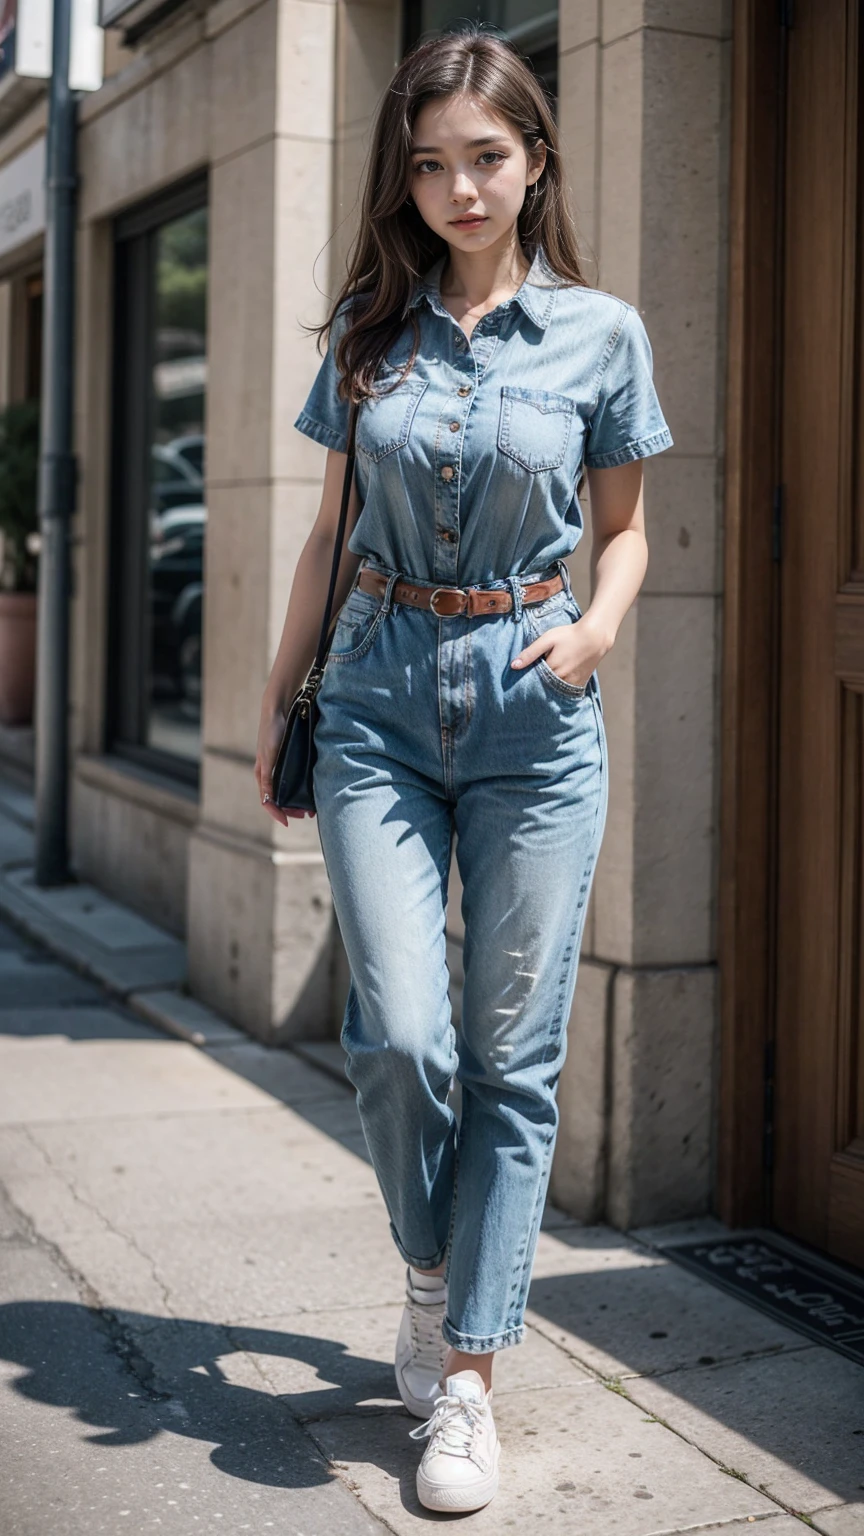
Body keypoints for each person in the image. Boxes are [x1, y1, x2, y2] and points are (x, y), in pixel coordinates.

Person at [255, 24, 672, 1515]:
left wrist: (594, 636)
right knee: (403, 1039)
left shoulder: (601, 335)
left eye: (485, 158)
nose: (457, 187)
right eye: (429, 164)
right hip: (370, 699)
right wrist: (275, 696)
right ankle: (432, 1281)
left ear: (536, 159)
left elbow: (624, 528)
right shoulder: (372, 327)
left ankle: (468, 1384)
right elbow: (325, 532)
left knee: (511, 1059)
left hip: (532, 705)